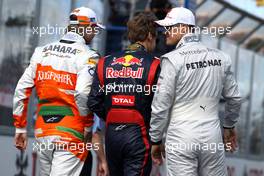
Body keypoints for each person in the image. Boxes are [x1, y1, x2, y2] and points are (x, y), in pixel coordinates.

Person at [13, 7, 106, 176]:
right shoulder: (89, 56)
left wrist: (20, 128)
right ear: (85, 28)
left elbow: (22, 89)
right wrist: (87, 125)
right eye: (94, 28)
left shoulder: (41, 51)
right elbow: (83, 93)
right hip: (71, 133)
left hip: (43, 131)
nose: (94, 33)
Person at [150, 7, 242, 176]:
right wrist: (229, 126)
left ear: (184, 27)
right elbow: (234, 98)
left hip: (180, 136)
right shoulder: (221, 57)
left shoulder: (172, 60)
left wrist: (155, 139)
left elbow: (160, 105)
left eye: (170, 27)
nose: (165, 32)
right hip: (212, 136)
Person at [88, 12, 160, 176]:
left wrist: (115, 115)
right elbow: (160, 106)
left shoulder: (105, 61)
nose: (156, 43)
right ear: (149, 36)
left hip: (112, 134)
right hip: (139, 134)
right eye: (156, 38)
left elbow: (93, 101)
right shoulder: (155, 64)